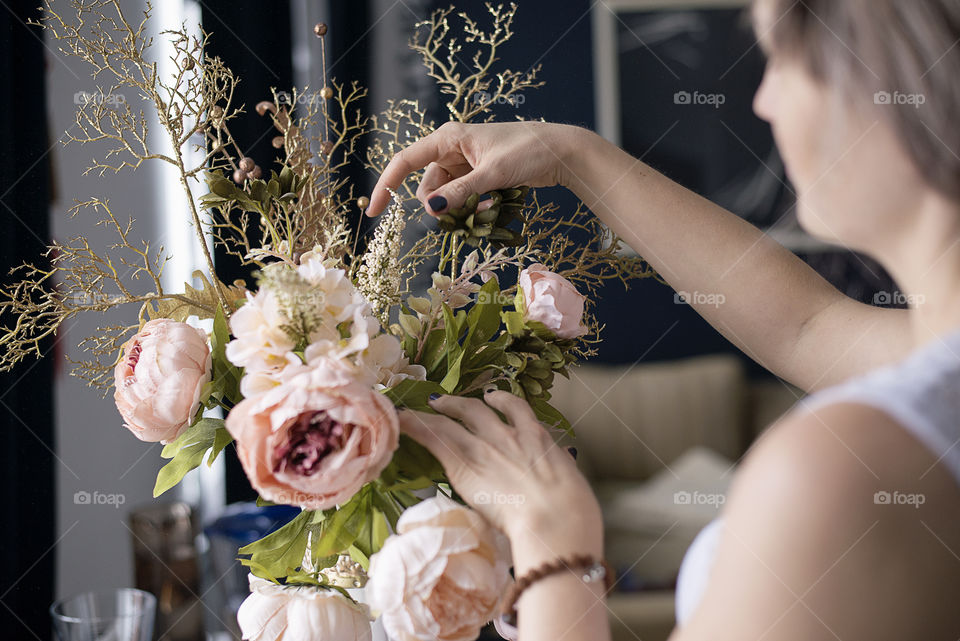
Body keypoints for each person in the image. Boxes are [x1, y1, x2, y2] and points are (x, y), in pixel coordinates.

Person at [365, 1, 960, 639]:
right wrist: (572, 156)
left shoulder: (838, 474)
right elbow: (808, 327)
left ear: (892, 87)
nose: (764, 102)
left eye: (782, 62)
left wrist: (554, 544)